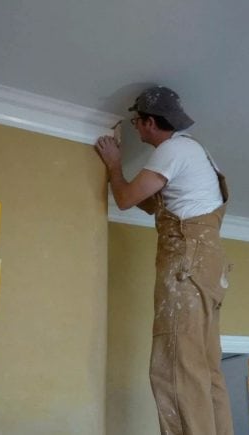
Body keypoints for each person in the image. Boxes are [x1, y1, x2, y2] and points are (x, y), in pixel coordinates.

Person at [95, 86, 234, 435]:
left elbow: (125, 199)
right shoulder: (197, 153)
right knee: (204, 367)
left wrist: (114, 164)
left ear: (151, 122)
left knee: (175, 365)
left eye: (137, 122)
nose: (136, 129)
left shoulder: (172, 149)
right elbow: (157, 204)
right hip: (210, 264)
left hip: (187, 261)